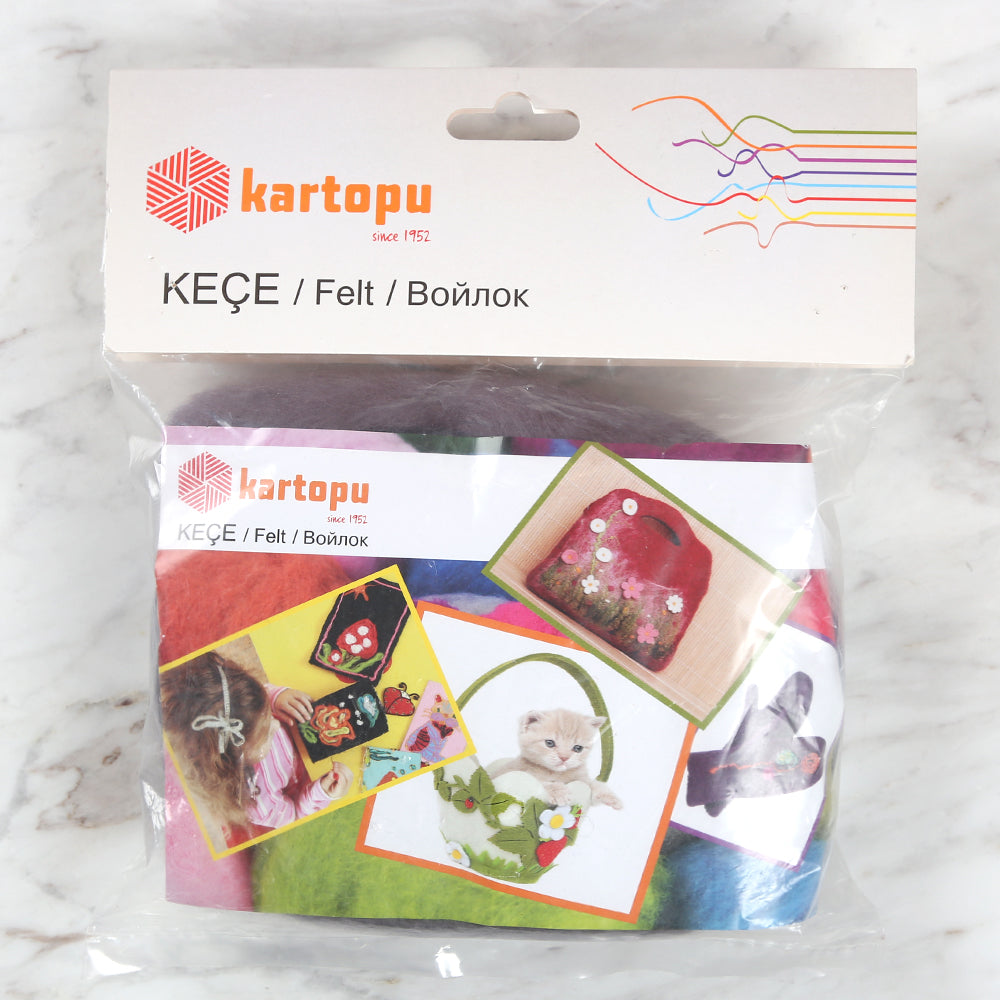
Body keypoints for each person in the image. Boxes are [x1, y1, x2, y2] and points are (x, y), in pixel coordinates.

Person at [161, 651, 351, 840]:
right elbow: (294, 817)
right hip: (313, 775)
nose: (276, 724)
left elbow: (258, 695)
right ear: (233, 761)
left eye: (267, 714)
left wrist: (276, 698)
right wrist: (321, 794)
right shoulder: (255, 800)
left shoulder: (240, 707)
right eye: (265, 734)